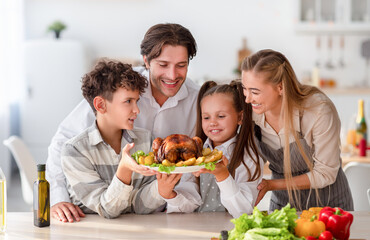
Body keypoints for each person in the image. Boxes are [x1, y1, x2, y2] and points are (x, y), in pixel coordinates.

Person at [46, 23, 199, 222]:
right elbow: (64, 140)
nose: (172, 75)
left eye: (181, 65)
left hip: (158, 211)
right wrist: (58, 198)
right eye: (163, 65)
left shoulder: (196, 99)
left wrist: (171, 197)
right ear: (146, 60)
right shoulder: (124, 87)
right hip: (97, 211)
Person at [61, 60, 181, 218]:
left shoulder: (146, 140)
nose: (137, 110)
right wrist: (124, 169)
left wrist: (162, 189)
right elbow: (107, 210)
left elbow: (139, 206)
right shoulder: (75, 151)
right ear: (101, 105)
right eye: (128, 101)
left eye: (136, 101)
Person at [241, 49, 354, 211]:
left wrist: (271, 184)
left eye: (255, 92)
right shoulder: (251, 113)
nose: (247, 98)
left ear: (280, 87)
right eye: (245, 88)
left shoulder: (317, 110)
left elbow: (326, 173)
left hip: (328, 206)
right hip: (283, 206)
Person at [166, 80, 264, 218]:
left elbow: (243, 210)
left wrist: (222, 175)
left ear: (240, 117)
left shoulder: (249, 156)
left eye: (221, 116)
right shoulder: (193, 154)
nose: (212, 122)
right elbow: (189, 202)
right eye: (206, 117)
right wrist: (169, 194)